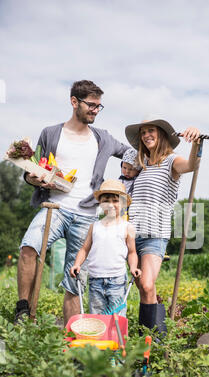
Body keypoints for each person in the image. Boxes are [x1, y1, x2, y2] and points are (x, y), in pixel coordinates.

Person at [15, 80, 130, 325]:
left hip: (87, 214)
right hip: (54, 208)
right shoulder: (50, 133)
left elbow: (131, 154)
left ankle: (72, 337)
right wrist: (34, 179)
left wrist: (160, 151)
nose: (96, 111)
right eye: (91, 105)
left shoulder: (103, 138)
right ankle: (23, 309)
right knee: (28, 247)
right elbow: (31, 168)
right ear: (74, 102)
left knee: (74, 279)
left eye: (99, 106)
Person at [124, 118, 200, 336]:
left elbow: (191, 166)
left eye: (151, 131)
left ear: (162, 135)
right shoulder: (142, 164)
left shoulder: (171, 161)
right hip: (131, 234)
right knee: (144, 289)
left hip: (154, 235)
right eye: (143, 132)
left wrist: (195, 142)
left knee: (147, 285)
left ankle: (147, 339)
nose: (147, 135)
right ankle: (158, 336)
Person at [70, 179, 141, 317]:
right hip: (95, 279)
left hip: (117, 280)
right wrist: (77, 264)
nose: (111, 205)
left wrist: (133, 267)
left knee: (117, 316)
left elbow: (132, 252)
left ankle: (117, 339)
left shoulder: (127, 227)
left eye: (115, 201)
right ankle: (100, 339)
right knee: (97, 317)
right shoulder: (94, 226)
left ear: (123, 204)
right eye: (106, 201)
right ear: (101, 203)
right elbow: (85, 249)